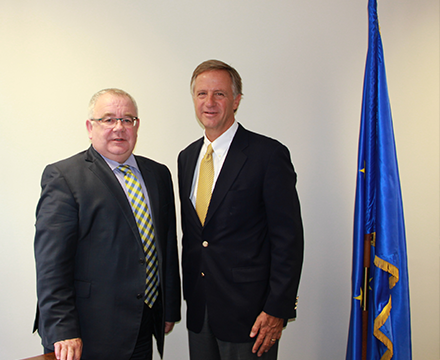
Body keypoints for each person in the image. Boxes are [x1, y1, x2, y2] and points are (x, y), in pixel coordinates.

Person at [34, 88, 181, 360]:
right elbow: (51, 264)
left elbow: (167, 246)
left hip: (142, 324)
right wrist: (63, 328)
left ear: (137, 127)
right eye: (108, 119)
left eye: (127, 120)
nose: (119, 128)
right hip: (86, 332)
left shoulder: (158, 174)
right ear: (90, 128)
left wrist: (168, 308)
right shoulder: (64, 177)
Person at [178, 60, 304, 360]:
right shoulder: (186, 158)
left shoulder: (268, 155)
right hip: (200, 311)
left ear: (236, 101)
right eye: (201, 94)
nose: (209, 103)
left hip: (251, 317)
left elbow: (288, 240)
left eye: (219, 94)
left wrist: (277, 309)